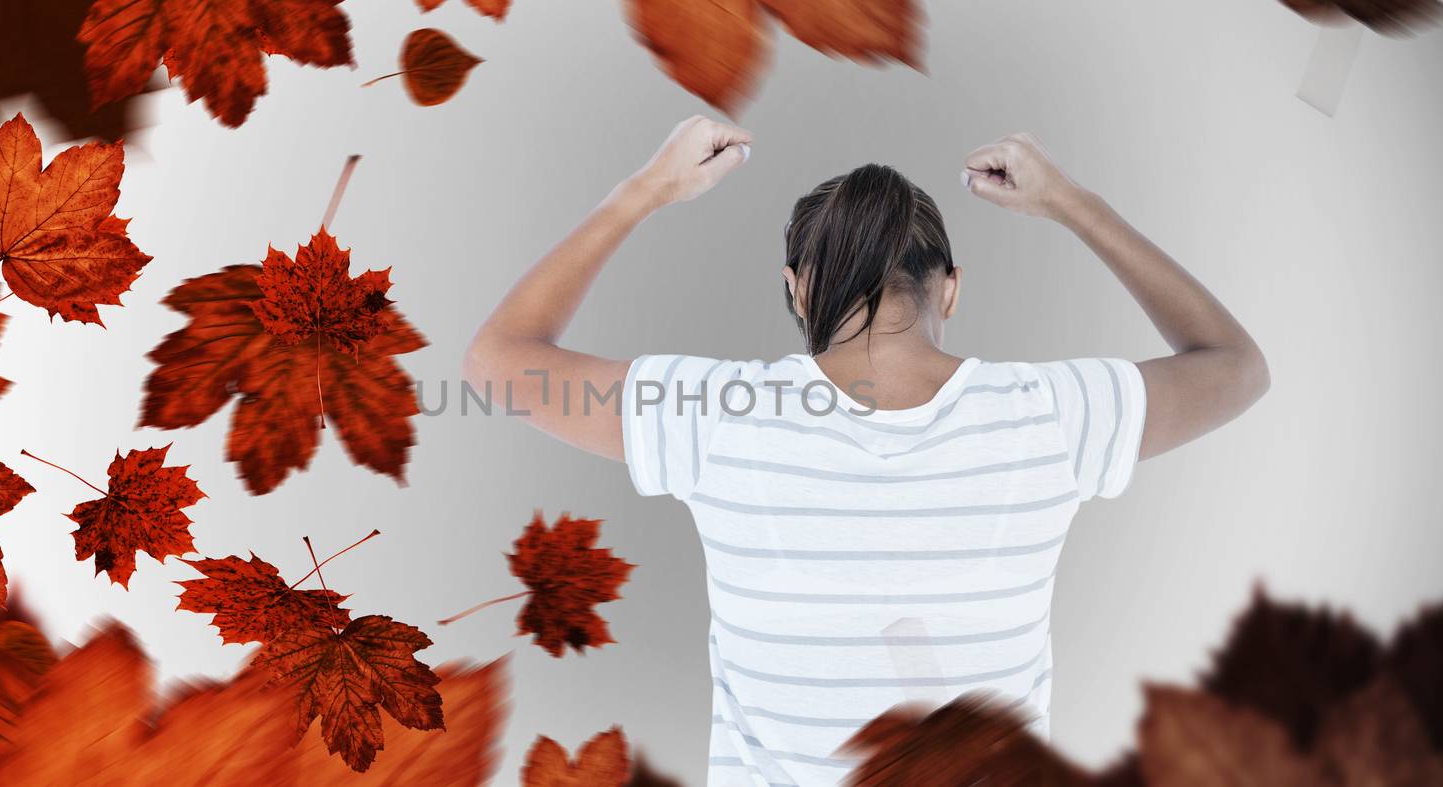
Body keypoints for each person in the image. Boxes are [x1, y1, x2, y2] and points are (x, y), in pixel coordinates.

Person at [463, 116, 1268, 786]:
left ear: (799, 288)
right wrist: (1071, 203)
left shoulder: (716, 415)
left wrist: (645, 190)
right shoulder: (1050, 417)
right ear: (949, 286)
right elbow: (1234, 366)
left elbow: (497, 361)